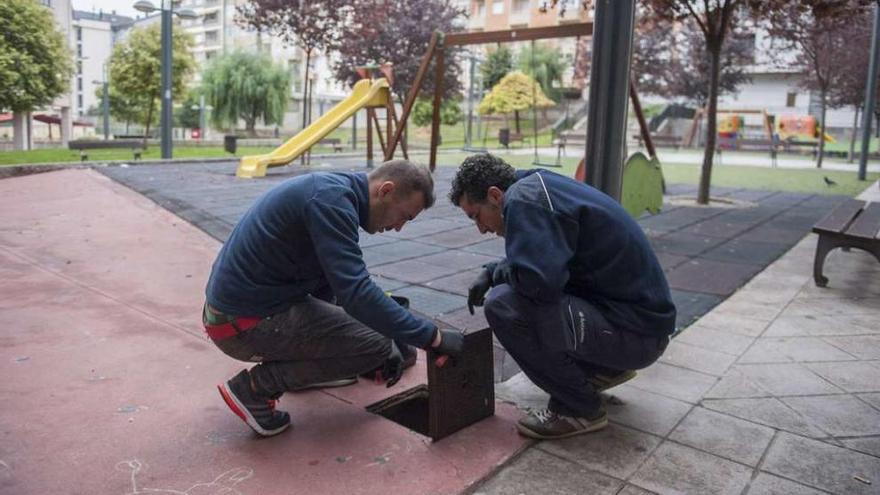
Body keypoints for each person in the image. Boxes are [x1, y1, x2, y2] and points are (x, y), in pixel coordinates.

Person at [204, 159, 464, 437]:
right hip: (243, 324)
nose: (399, 227)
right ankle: (255, 389)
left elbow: (333, 289)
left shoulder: (335, 193)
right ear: (385, 191)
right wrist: (431, 338)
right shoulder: (330, 203)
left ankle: (299, 371)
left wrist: (392, 334)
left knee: (373, 338)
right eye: (404, 216)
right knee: (374, 346)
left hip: (244, 309)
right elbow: (357, 293)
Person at [449, 154, 675, 440]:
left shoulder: (523, 199)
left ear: (495, 195)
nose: (481, 228)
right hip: (640, 327)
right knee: (520, 292)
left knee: (503, 305)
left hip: (636, 335)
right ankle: (600, 371)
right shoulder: (537, 186)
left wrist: (496, 276)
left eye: (476, 216)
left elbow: (538, 284)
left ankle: (578, 408)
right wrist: (493, 272)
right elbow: (549, 263)